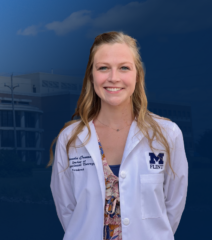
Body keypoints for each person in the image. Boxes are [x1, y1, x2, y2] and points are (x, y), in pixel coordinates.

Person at [48, 31, 188, 240]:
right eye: (103, 68)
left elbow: (173, 208)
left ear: (137, 75)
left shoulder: (168, 134)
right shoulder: (70, 139)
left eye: (124, 68)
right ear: (92, 76)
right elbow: (68, 211)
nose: (114, 78)